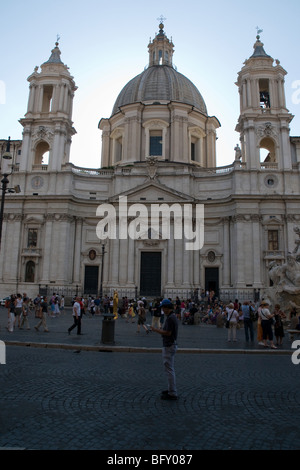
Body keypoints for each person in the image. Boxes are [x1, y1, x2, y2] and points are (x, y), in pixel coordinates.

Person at [151, 299, 178, 400]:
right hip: (170, 344)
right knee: (169, 368)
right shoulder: (171, 317)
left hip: (169, 345)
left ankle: (172, 392)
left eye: (163, 308)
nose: (162, 309)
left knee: (169, 369)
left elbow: (168, 332)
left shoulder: (171, 318)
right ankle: (171, 388)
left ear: (167, 308)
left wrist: (155, 330)